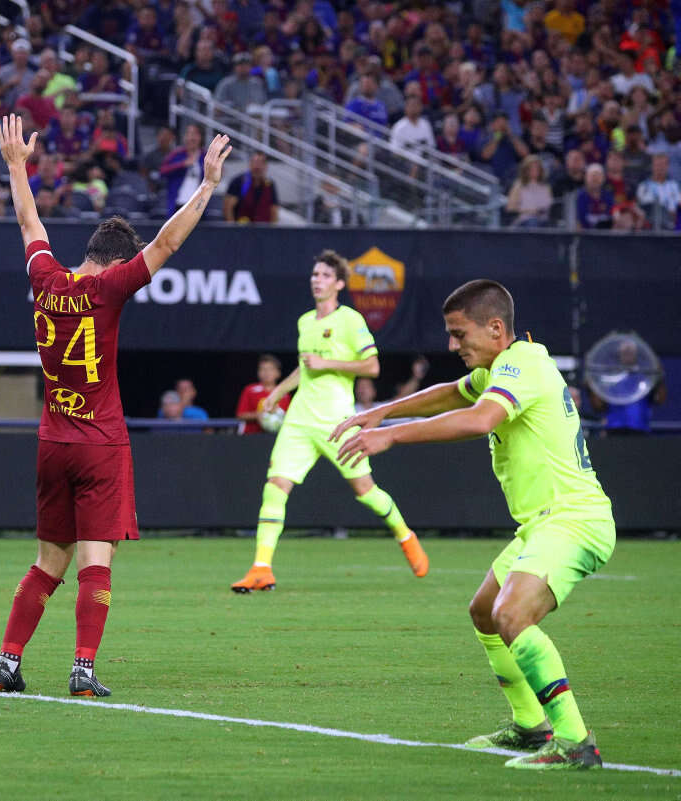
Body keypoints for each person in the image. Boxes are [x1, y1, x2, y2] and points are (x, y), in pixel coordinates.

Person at [0, 114, 232, 698]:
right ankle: (83, 669)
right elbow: (167, 242)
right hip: (100, 444)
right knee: (96, 560)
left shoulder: (47, 279)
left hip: (52, 442)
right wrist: (206, 185)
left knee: (48, 561)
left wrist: (17, 166)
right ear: (119, 262)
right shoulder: (111, 288)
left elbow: (29, 220)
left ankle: (7, 660)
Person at [333, 280, 613, 770]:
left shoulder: (521, 366)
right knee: (485, 611)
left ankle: (574, 741)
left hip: (573, 519)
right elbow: (451, 394)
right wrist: (381, 411)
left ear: (496, 328)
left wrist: (392, 436)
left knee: (511, 615)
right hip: (544, 524)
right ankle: (531, 725)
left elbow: (480, 419)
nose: (452, 345)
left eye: (459, 334)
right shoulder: (505, 365)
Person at [229, 250, 428, 594]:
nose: (316, 280)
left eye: (324, 275)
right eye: (314, 274)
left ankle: (404, 535)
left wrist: (329, 364)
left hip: (337, 421)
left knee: (365, 491)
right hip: (299, 421)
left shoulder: (350, 320)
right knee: (275, 486)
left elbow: (372, 366)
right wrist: (279, 391)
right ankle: (261, 568)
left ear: (338, 284)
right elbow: (305, 368)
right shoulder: (305, 322)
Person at [236, 354, 291, 434]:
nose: (266, 373)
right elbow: (240, 415)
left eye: (270, 369)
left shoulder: (284, 393)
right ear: (258, 372)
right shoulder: (250, 390)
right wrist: (258, 415)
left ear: (278, 373)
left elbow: (288, 417)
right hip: (250, 435)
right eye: (263, 369)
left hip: (276, 436)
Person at [223, 152, 279, 223]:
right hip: (241, 227)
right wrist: (232, 227)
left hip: (263, 227)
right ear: (250, 164)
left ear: (266, 166)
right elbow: (228, 207)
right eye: (255, 162)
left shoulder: (270, 185)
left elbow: (274, 209)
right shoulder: (239, 181)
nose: (257, 166)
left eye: (261, 162)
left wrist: (273, 228)